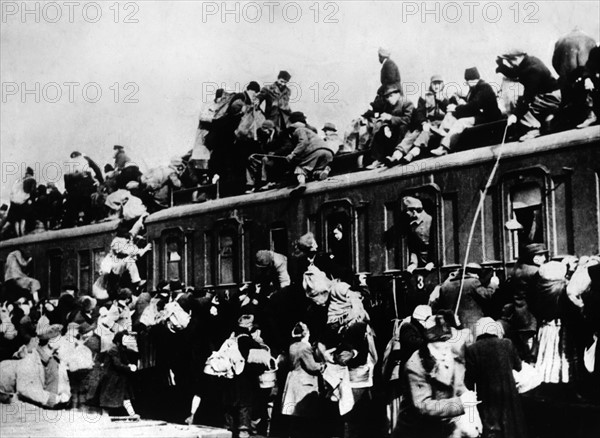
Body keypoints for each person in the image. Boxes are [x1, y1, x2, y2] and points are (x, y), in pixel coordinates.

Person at [396, 314, 478, 438]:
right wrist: (459, 403)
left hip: (442, 428)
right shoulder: (415, 365)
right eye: (440, 348)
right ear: (429, 346)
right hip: (415, 429)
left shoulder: (451, 356)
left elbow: (458, 386)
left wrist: (468, 398)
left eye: (447, 347)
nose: (445, 353)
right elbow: (423, 405)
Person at [465, 317, 527, 438]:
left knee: (492, 430)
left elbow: (469, 381)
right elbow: (518, 367)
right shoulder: (507, 344)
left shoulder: (472, 349)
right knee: (512, 427)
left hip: (487, 396)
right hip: (508, 394)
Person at [430, 67, 502, 156]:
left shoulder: (484, 87)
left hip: (489, 118)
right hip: (481, 116)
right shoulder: (475, 88)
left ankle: (444, 148)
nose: (466, 83)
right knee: (452, 115)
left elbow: (473, 105)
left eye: (467, 81)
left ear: (470, 80)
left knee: (461, 122)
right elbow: (471, 105)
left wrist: (456, 108)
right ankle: (442, 133)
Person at [495, 49, 561, 141]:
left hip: (551, 97)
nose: (510, 64)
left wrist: (515, 115)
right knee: (520, 102)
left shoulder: (532, 70)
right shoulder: (527, 62)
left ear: (516, 58)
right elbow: (515, 72)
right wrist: (501, 66)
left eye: (509, 61)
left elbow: (527, 98)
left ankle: (533, 128)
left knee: (516, 101)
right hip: (546, 94)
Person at [388, 75, 448, 164]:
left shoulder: (446, 97)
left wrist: (442, 101)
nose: (436, 86)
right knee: (413, 134)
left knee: (425, 133)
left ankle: (412, 154)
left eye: (439, 84)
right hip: (428, 123)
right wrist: (423, 122)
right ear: (431, 85)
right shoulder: (425, 97)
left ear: (442, 85)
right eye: (434, 84)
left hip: (440, 126)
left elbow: (451, 111)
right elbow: (419, 112)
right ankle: (396, 155)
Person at [281, 321, 326, 438]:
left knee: (294, 413)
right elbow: (311, 366)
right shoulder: (305, 347)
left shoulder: (292, 346)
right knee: (303, 413)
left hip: (293, 378)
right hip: (304, 381)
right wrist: (322, 365)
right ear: (305, 333)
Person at [431, 263, 499, 335]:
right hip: (470, 326)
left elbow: (438, 305)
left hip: (451, 326)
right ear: (476, 273)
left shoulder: (446, 284)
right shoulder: (473, 282)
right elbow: (487, 295)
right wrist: (493, 284)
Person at [366, 84, 414, 169]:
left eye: (391, 96)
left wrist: (391, 118)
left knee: (401, 128)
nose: (389, 99)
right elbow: (384, 118)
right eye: (387, 97)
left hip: (405, 130)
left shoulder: (407, 103)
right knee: (380, 131)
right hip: (392, 129)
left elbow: (408, 120)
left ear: (398, 94)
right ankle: (378, 159)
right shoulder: (388, 106)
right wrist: (385, 126)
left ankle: (395, 156)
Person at [96, 331, 139, 418]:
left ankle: (132, 414)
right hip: (112, 377)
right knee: (109, 398)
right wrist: (129, 368)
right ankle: (104, 416)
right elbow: (117, 364)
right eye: (124, 338)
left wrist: (129, 365)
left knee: (124, 395)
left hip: (118, 377)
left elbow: (124, 361)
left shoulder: (121, 349)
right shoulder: (114, 349)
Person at [286, 111, 334, 185]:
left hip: (316, 152)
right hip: (328, 152)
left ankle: (301, 184)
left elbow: (303, 142)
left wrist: (293, 154)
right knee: (315, 170)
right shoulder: (311, 131)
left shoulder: (299, 130)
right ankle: (323, 171)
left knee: (300, 169)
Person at [245, 120, 294, 192]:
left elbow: (288, 146)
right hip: (269, 159)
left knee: (265, 159)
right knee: (250, 161)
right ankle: (250, 184)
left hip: (279, 159)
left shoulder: (281, 135)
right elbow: (263, 150)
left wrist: (275, 153)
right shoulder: (265, 137)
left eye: (265, 130)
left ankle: (264, 182)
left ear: (270, 129)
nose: (264, 132)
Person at [401, 196, 434, 273]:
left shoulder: (429, 220)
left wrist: (432, 261)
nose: (407, 213)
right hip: (421, 262)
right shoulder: (412, 224)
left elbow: (436, 244)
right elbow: (413, 247)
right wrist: (414, 263)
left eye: (408, 211)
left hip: (431, 262)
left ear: (414, 211)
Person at [8, 166, 36, 236]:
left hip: (15, 202)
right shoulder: (32, 180)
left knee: (16, 220)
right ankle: (22, 234)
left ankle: (18, 234)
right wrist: (31, 200)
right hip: (24, 202)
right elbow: (33, 192)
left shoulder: (20, 180)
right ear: (31, 174)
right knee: (23, 218)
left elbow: (13, 191)